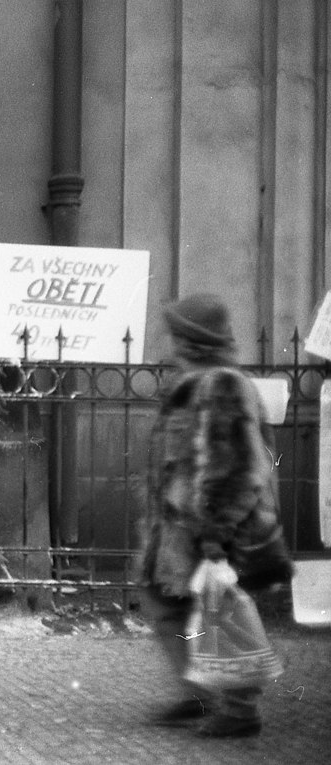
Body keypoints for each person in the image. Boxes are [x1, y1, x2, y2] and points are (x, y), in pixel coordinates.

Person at [141, 293, 293, 738]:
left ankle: (241, 710)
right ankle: (199, 691)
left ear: (190, 340)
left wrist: (216, 534)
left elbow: (236, 467)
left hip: (213, 527)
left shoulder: (222, 385)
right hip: (181, 526)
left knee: (221, 609)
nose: (166, 341)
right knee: (166, 602)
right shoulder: (195, 382)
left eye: (173, 333)